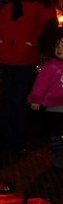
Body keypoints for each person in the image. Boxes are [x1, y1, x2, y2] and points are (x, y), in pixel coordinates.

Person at [0, 0, 57, 154]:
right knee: (0, 102)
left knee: (19, 102)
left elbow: (50, 25)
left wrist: (34, 41)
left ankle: (16, 143)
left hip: (25, 59)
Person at [28, 28, 63, 169]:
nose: (60, 49)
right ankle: (58, 156)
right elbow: (40, 84)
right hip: (54, 106)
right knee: (56, 132)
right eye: (57, 45)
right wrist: (36, 99)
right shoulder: (50, 66)